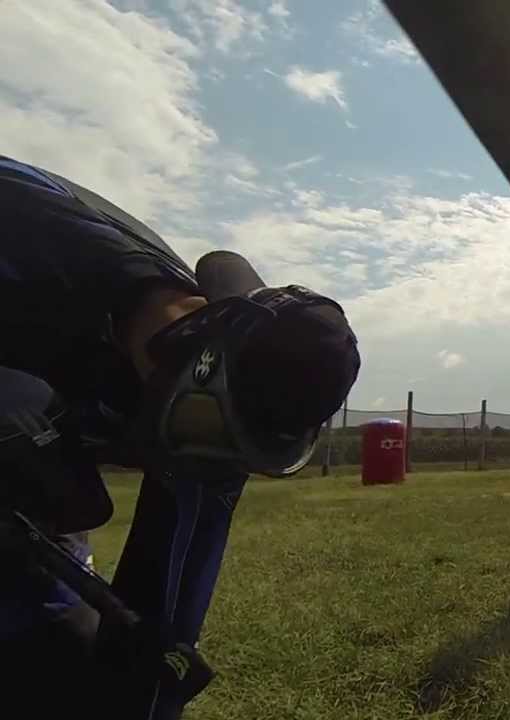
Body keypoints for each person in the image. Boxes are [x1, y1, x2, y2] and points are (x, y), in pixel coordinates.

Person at [0, 156, 360, 719]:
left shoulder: (225, 411)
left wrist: (146, 687)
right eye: (210, 432)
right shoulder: (40, 228)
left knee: (61, 652)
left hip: (33, 515)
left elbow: (168, 607)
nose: (206, 459)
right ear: (196, 360)